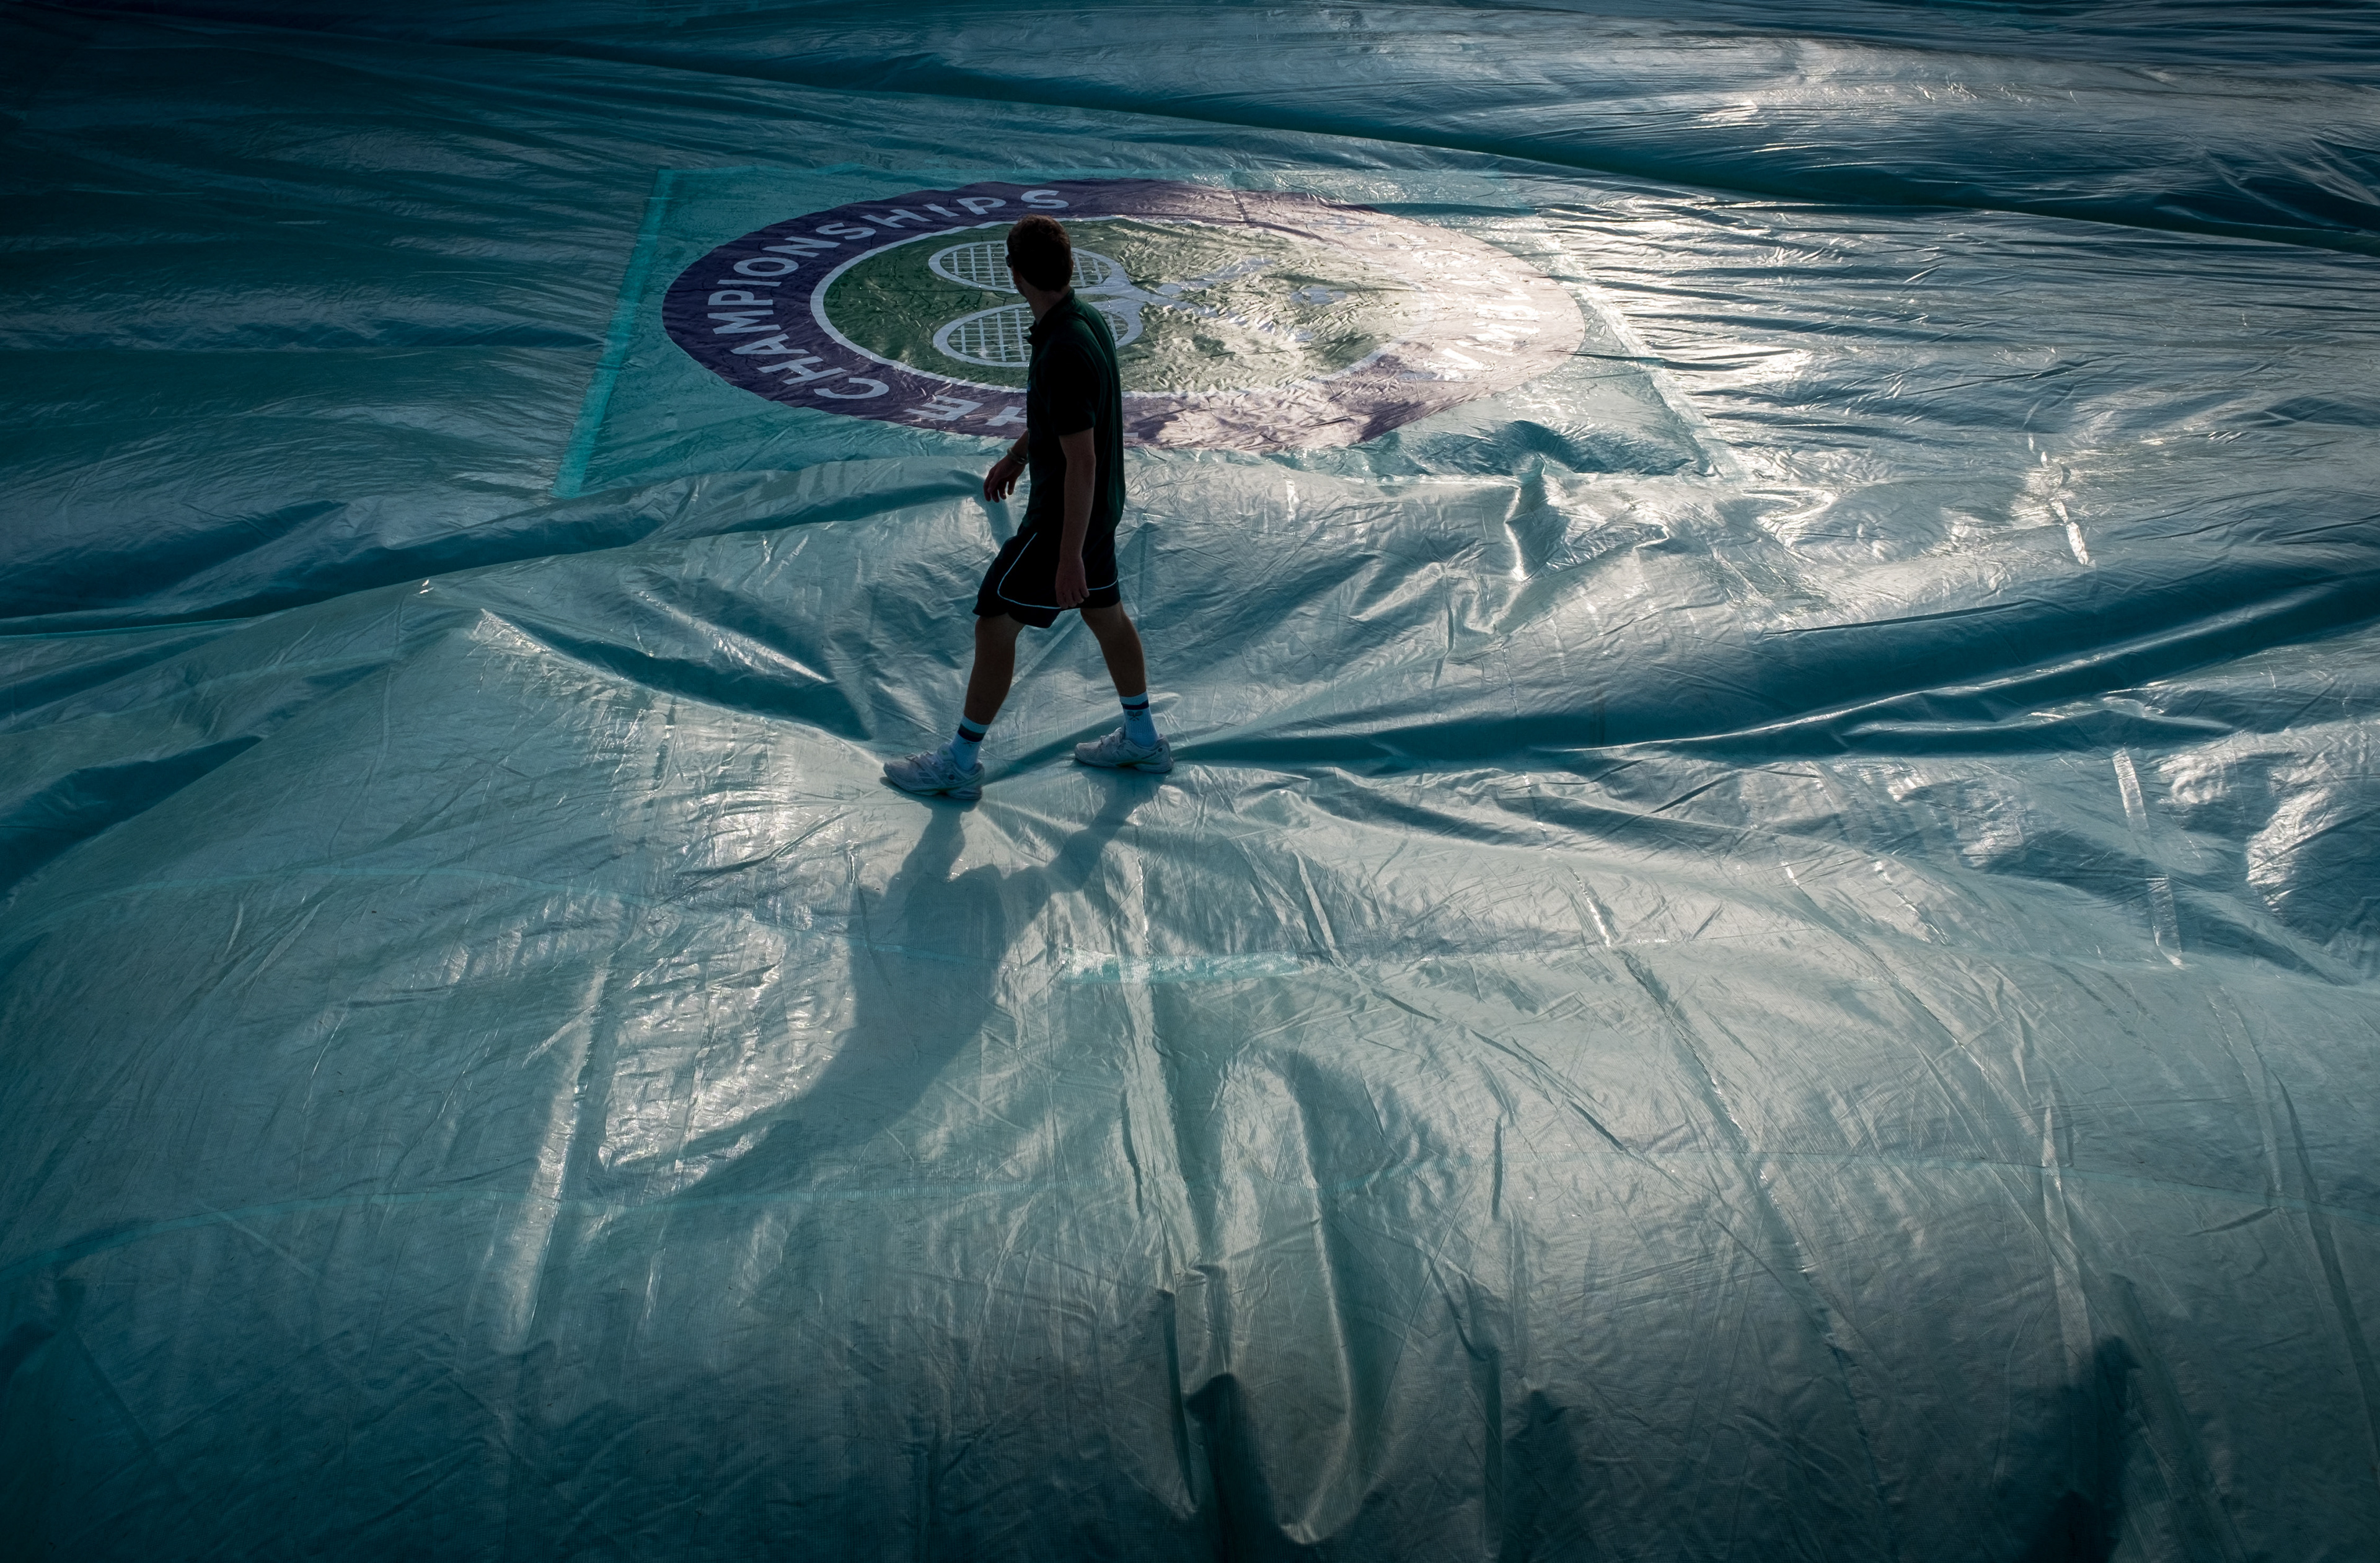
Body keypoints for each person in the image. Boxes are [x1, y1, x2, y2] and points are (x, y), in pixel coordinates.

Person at [883, 214, 1171, 801]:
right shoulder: (1083, 319)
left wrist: (1067, 558)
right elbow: (1069, 421)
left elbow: (1082, 461)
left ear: (1015, 276)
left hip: (1064, 522)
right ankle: (1142, 737)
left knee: (994, 624)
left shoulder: (1062, 348)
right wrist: (1019, 455)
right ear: (1069, 267)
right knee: (1106, 616)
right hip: (1100, 514)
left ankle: (959, 765)